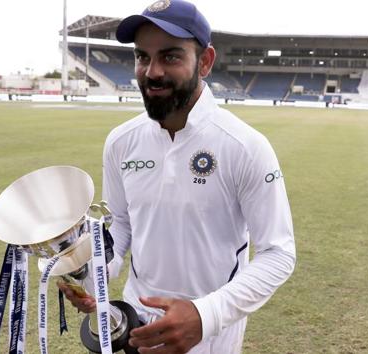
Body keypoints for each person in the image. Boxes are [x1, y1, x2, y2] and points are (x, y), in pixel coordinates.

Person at [58, 1, 296, 353]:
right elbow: (122, 224)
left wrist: (205, 315)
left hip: (209, 334)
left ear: (205, 61)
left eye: (170, 57)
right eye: (142, 57)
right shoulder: (122, 142)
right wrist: (94, 276)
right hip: (134, 324)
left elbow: (278, 253)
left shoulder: (245, 146)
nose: (152, 72)